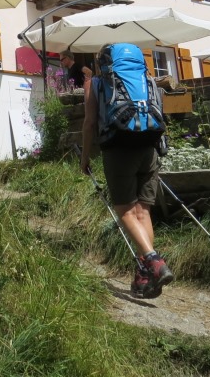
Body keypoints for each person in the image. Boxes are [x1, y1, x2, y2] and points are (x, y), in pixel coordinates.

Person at [80, 44, 174, 299]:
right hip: (148, 148)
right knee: (143, 212)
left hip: (118, 149)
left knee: (125, 211)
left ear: (103, 63)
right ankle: (145, 277)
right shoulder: (148, 80)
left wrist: (85, 157)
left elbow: (89, 123)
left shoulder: (95, 84)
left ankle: (154, 261)